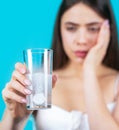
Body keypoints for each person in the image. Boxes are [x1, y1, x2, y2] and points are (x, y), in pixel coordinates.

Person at [0, 0, 119, 130]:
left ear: (109, 31)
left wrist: (89, 70)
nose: (82, 40)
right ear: (59, 30)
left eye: (93, 28)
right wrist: (16, 120)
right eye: (71, 28)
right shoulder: (41, 81)